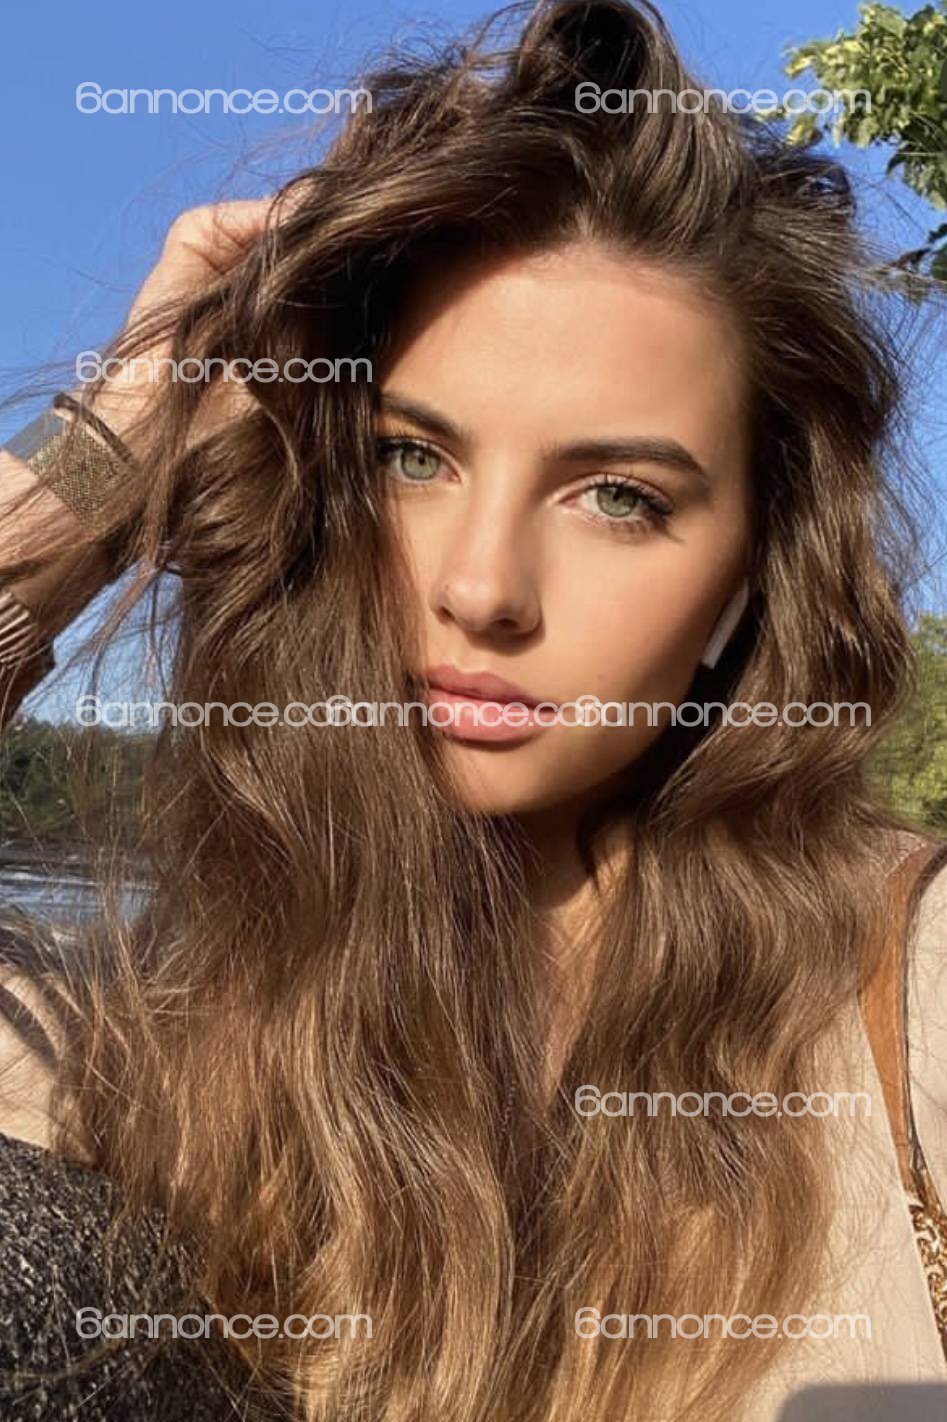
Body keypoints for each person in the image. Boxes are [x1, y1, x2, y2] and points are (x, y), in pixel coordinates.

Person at [1, 1, 946, 1418]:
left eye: (617, 495)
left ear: (751, 584)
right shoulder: (155, 1034)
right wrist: (111, 449)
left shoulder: (913, 992)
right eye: (413, 459)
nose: (482, 588)